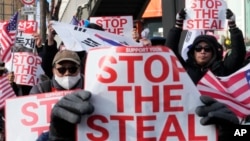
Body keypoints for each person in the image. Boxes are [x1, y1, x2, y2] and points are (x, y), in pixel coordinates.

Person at [166, 8, 246, 85]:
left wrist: (233, 27)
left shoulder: (222, 69)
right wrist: (178, 26)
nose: (202, 51)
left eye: (207, 49)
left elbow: (238, 54)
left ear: (213, 52)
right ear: (193, 52)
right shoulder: (185, 69)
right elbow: (170, 51)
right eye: (198, 48)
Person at [30, 50, 94, 141]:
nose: (67, 73)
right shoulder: (40, 90)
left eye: (72, 69)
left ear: (79, 69)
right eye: (61, 70)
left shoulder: (91, 87)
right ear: (53, 70)